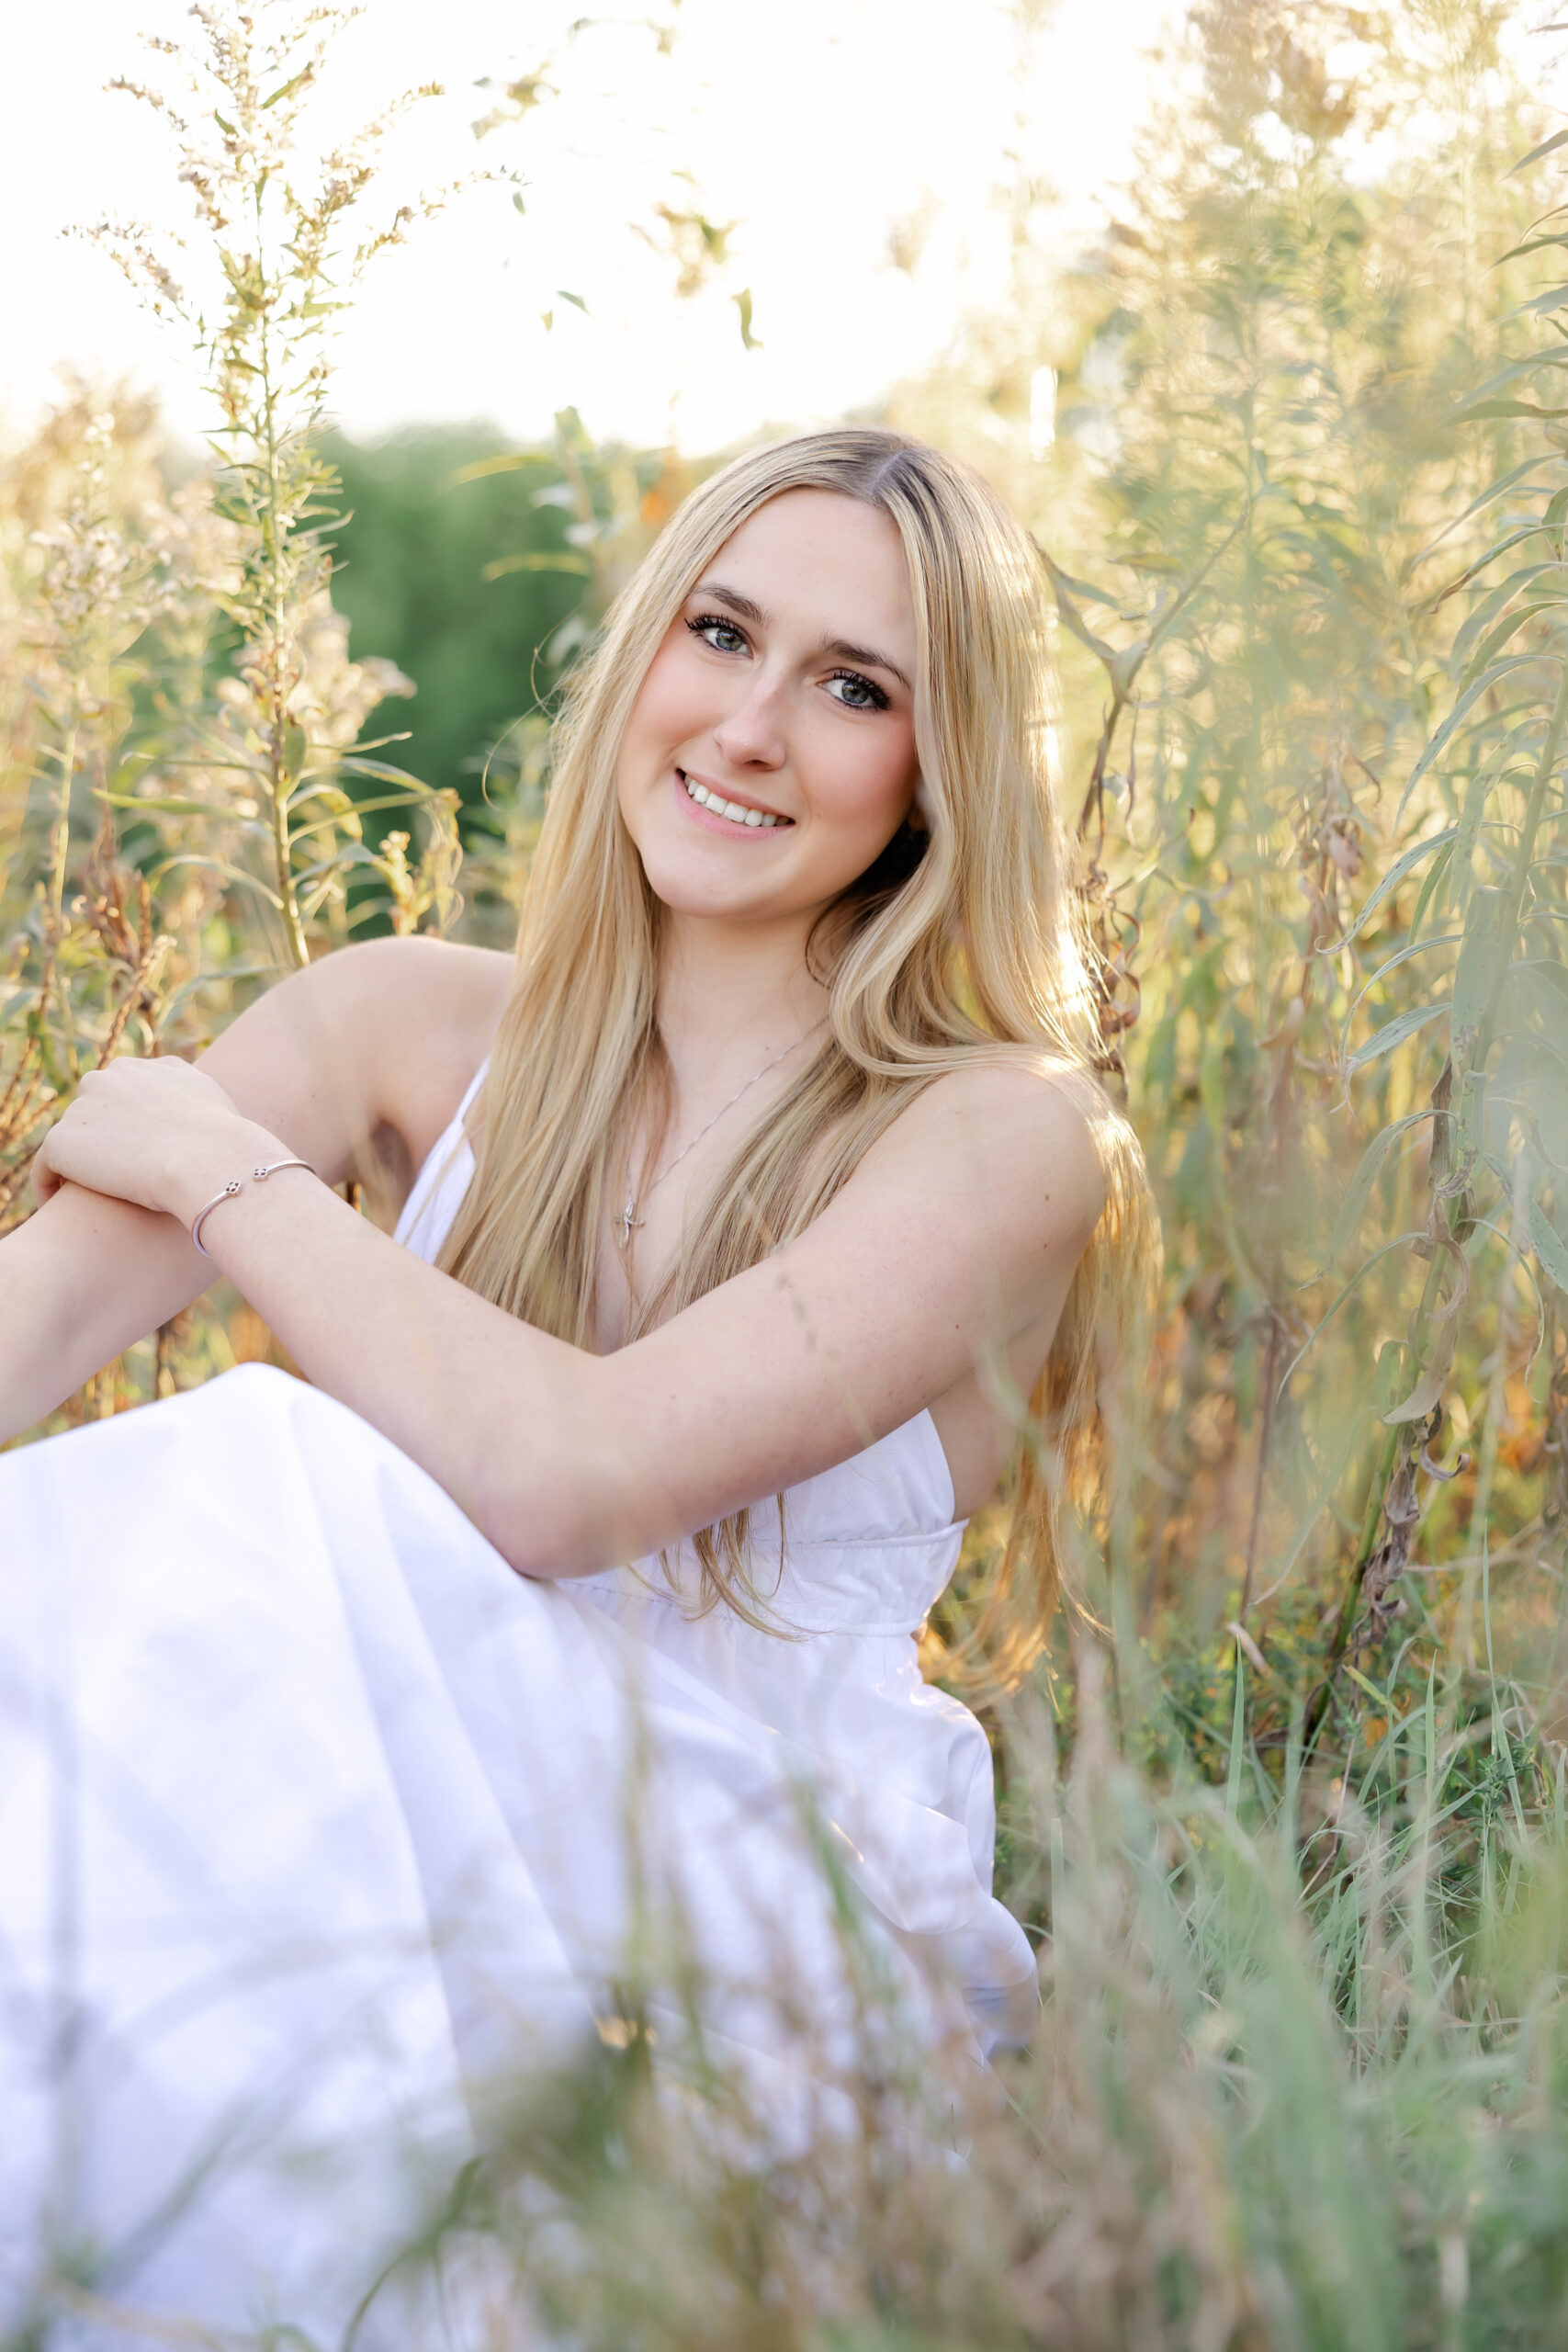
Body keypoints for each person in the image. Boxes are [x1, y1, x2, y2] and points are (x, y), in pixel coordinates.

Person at [0, 428, 1149, 2337]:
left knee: (265, 1476)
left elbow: (574, 1483)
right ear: (643, 653)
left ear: (937, 772)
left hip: (751, 1922)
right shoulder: (405, 1021)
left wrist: (225, 1172)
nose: (750, 728)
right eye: (723, 633)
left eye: (853, 687)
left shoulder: (1006, 1135)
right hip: (378, 1825)